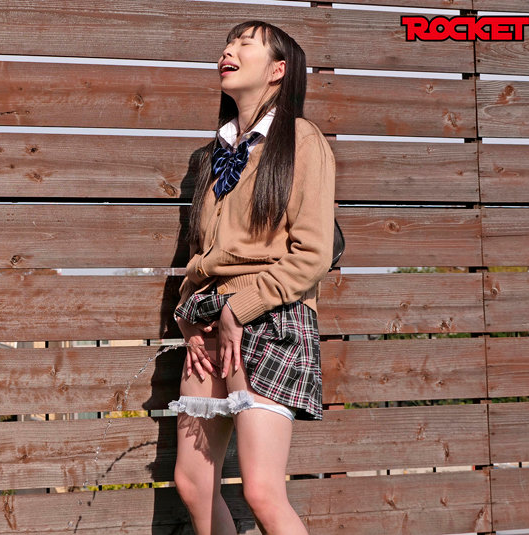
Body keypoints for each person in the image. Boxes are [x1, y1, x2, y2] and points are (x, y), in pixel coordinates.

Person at [168, 20, 336, 535]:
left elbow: (313, 254)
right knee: (193, 484)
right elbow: (201, 253)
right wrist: (187, 317)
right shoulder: (214, 154)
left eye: (246, 44)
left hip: (269, 315)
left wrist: (238, 309)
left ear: (278, 70)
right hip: (207, 321)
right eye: (228, 42)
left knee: (262, 490)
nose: (229, 50)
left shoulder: (302, 140)